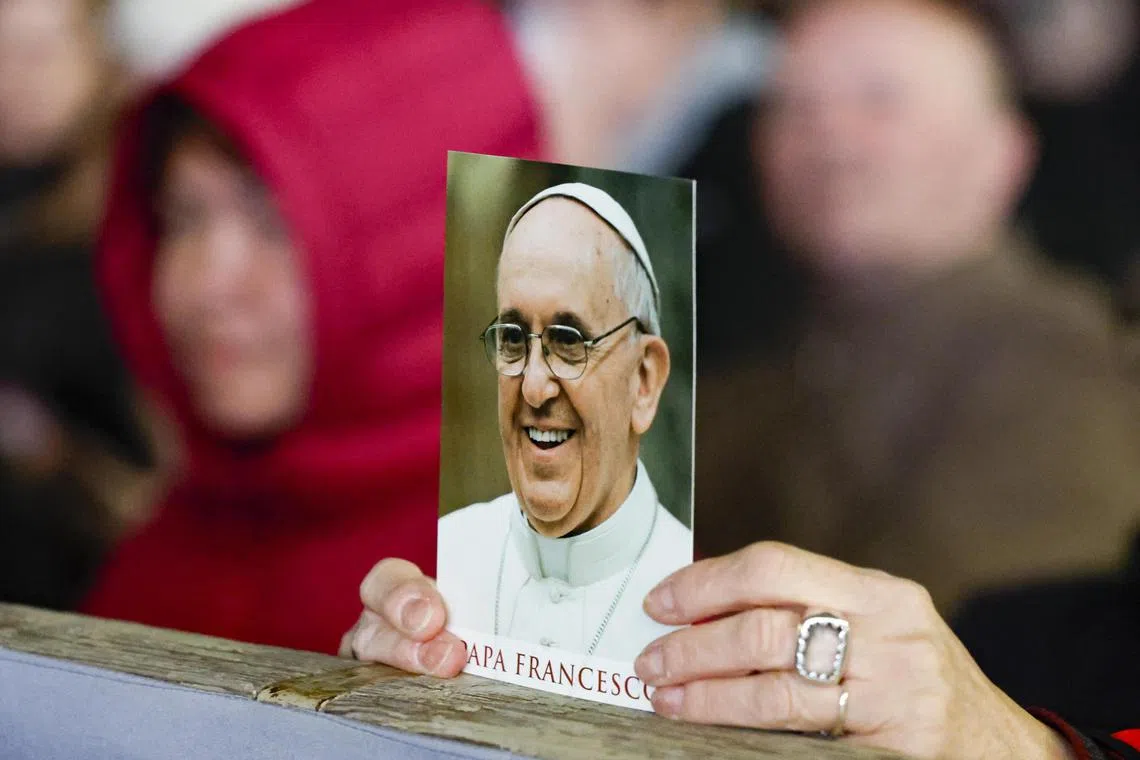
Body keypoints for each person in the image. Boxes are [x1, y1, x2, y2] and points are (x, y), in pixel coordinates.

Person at [79, 0, 541, 653]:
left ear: (418, 261)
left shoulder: (554, 597)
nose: (204, 285)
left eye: (274, 223)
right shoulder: (168, 554)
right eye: (181, 216)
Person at [695, 0, 1140, 611]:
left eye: (880, 100)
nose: (828, 133)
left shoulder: (1061, 368)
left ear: (1003, 153)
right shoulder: (763, 359)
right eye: (794, 107)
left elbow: (961, 649)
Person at [437, 183, 691, 661]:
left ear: (644, 380)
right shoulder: (443, 562)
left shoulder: (695, 599)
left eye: (569, 340)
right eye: (512, 338)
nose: (534, 387)